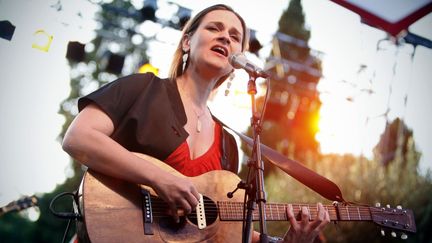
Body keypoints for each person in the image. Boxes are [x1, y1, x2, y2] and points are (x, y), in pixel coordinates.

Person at [62, 4, 330, 243]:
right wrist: (158, 178)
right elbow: (78, 137)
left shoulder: (228, 144)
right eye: (215, 28)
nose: (225, 36)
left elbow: (220, 232)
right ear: (187, 42)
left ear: (238, 61)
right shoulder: (142, 89)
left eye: (235, 37)